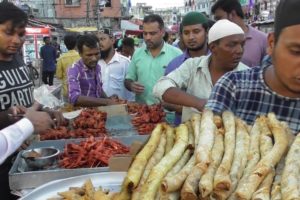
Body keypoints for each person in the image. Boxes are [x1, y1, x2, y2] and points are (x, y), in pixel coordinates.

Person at [205, 0, 300, 134]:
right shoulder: (233, 86)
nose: (238, 51)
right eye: (296, 52)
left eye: (241, 45)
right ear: (272, 44)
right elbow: (207, 139)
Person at [153, 19, 248, 123]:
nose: (240, 50)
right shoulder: (193, 66)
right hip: (191, 136)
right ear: (213, 47)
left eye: (242, 44)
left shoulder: (248, 75)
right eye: (232, 45)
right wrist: (199, 104)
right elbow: (160, 87)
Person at [124, 14, 182, 105]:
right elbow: (128, 79)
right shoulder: (137, 54)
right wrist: (131, 85)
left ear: (162, 32)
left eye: (152, 33)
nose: (147, 37)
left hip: (169, 114)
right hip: (142, 113)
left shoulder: (177, 54)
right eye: (145, 33)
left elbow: (184, 87)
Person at [211, 0, 267, 68]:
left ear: (232, 14)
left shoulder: (262, 39)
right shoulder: (217, 41)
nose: (217, 23)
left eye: (219, 18)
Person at [67, 34, 116, 107]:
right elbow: (74, 98)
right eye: (89, 55)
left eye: (97, 54)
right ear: (80, 54)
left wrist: (108, 99)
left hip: (98, 113)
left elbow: (98, 89)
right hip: (83, 115)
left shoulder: (97, 67)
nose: (94, 58)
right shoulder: (74, 69)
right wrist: (106, 102)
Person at [97, 29, 134, 101]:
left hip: (120, 109)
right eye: (97, 40)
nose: (99, 43)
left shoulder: (125, 63)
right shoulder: (95, 63)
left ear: (112, 40)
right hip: (98, 109)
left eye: (102, 39)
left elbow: (131, 93)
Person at [56, 33, 80, 101]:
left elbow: (58, 76)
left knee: (68, 110)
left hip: (67, 91)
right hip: (80, 90)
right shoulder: (81, 56)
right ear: (76, 44)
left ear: (65, 45)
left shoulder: (61, 58)